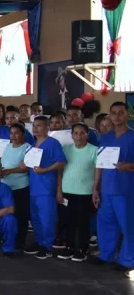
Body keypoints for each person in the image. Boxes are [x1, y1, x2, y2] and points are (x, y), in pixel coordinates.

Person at [91, 102, 134, 273]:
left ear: (127, 115)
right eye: (113, 113)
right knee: (106, 223)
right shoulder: (106, 137)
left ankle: (127, 259)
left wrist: (129, 167)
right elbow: (99, 165)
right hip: (107, 188)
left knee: (128, 224)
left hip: (126, 189)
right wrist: (95, 187)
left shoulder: (132, 136)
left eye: (120, 113)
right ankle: (106, 254)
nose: (117, 116)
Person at [24, 115, 67, 259]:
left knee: (47, 218)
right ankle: (39, 241)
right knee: (35, 217)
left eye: (39, 125)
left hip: (46, 187)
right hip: (34, 187)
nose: (35, 128)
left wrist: (45, 170)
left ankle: (47, 246)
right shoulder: (33, 145)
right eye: (34, 125)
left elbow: (61, 162)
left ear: (47, 128)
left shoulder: (52, 143)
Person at [55, 123, 97, 262]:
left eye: (82, 133)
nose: (79, 136)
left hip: (85, 193)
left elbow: (98, 173)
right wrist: (59, 190)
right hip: (67, 192)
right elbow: (60, 172)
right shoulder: (66, 150)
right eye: (76, 133)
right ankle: (70, 247)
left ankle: (82, 250)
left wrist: (96, 189)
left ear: (87, 135)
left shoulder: (94, 150)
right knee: (68, 222)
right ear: (72, 135)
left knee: (83, 223)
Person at [0, 123, 31, 250]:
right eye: (11, 133)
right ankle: (8, 237)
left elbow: (27, 168)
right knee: (7, 214)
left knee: (20, 215)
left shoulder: (27, 148)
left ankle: (20, 240)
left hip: (20, 187)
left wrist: (9, 171)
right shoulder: (7, 146)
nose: (13, 135)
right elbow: (1, 163)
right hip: (6, 186)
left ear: (23, 134)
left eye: (16, 133)